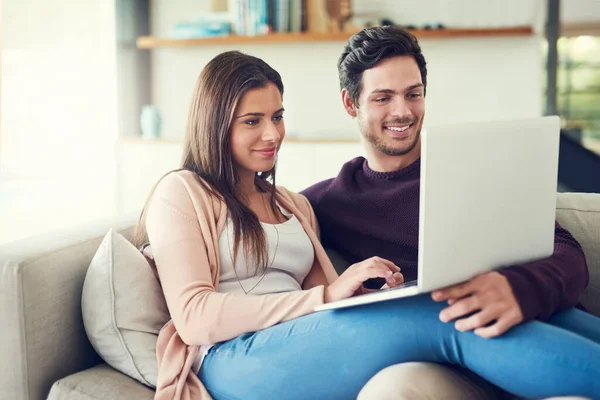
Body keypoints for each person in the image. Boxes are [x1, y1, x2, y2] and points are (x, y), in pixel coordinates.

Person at [136, 49, 600, 400]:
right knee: (444, 310)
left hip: (304, 339)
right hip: (233, 359)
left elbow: (332, 303)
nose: (273, 134)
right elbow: (194, 317)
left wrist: (370, 293)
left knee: (469, 301)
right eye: (252, 121)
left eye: (277, 116)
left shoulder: (296, 204)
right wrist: (324, 298)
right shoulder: (182, 193)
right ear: (216, 125)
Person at [301, 26, 600, 397]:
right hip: (466, 348)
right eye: (383, 98)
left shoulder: (473, 165)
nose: (403, 111)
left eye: (414, 94)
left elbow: (567, 251)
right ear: (351, 104)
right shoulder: (325, 203)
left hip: (547, 317)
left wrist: (517, 288)